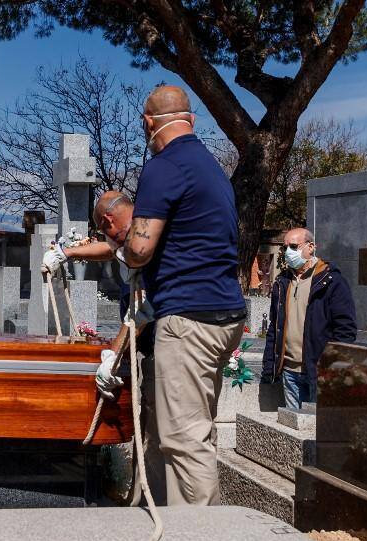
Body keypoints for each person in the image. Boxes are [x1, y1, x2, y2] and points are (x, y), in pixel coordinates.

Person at [117, 85, 247, 506]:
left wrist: (127, 254)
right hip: (221, 312)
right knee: (182, 430)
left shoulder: (164, 166)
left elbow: (139, 247)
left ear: (148, 123)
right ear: (190, 119)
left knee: (185, 440)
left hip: (188, 317)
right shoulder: (210, 167)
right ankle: (157, 516)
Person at [42, 190, 161, 504]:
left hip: (156, 341)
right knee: (147, 435)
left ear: (109, 220)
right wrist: (68, 253)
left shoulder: (143, 241)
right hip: (146, 341)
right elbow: (109, 249)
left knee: (158, 439)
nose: (109, 239)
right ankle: (140, 500)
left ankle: (156, 505)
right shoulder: (134, 231)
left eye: (105, 230)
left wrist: (114, 353)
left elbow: (142, 308)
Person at [262, 228, 357, 408]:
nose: (288, 252)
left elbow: (345, 329)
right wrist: (269, 368)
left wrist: (332, 368)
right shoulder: (283, 282)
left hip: (317, 372)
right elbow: (274, 329)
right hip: (289, 371)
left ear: (311, 247)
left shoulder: (331, 281)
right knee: (290, 431)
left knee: (316, 431)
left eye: (294, 246)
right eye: (285, 248)